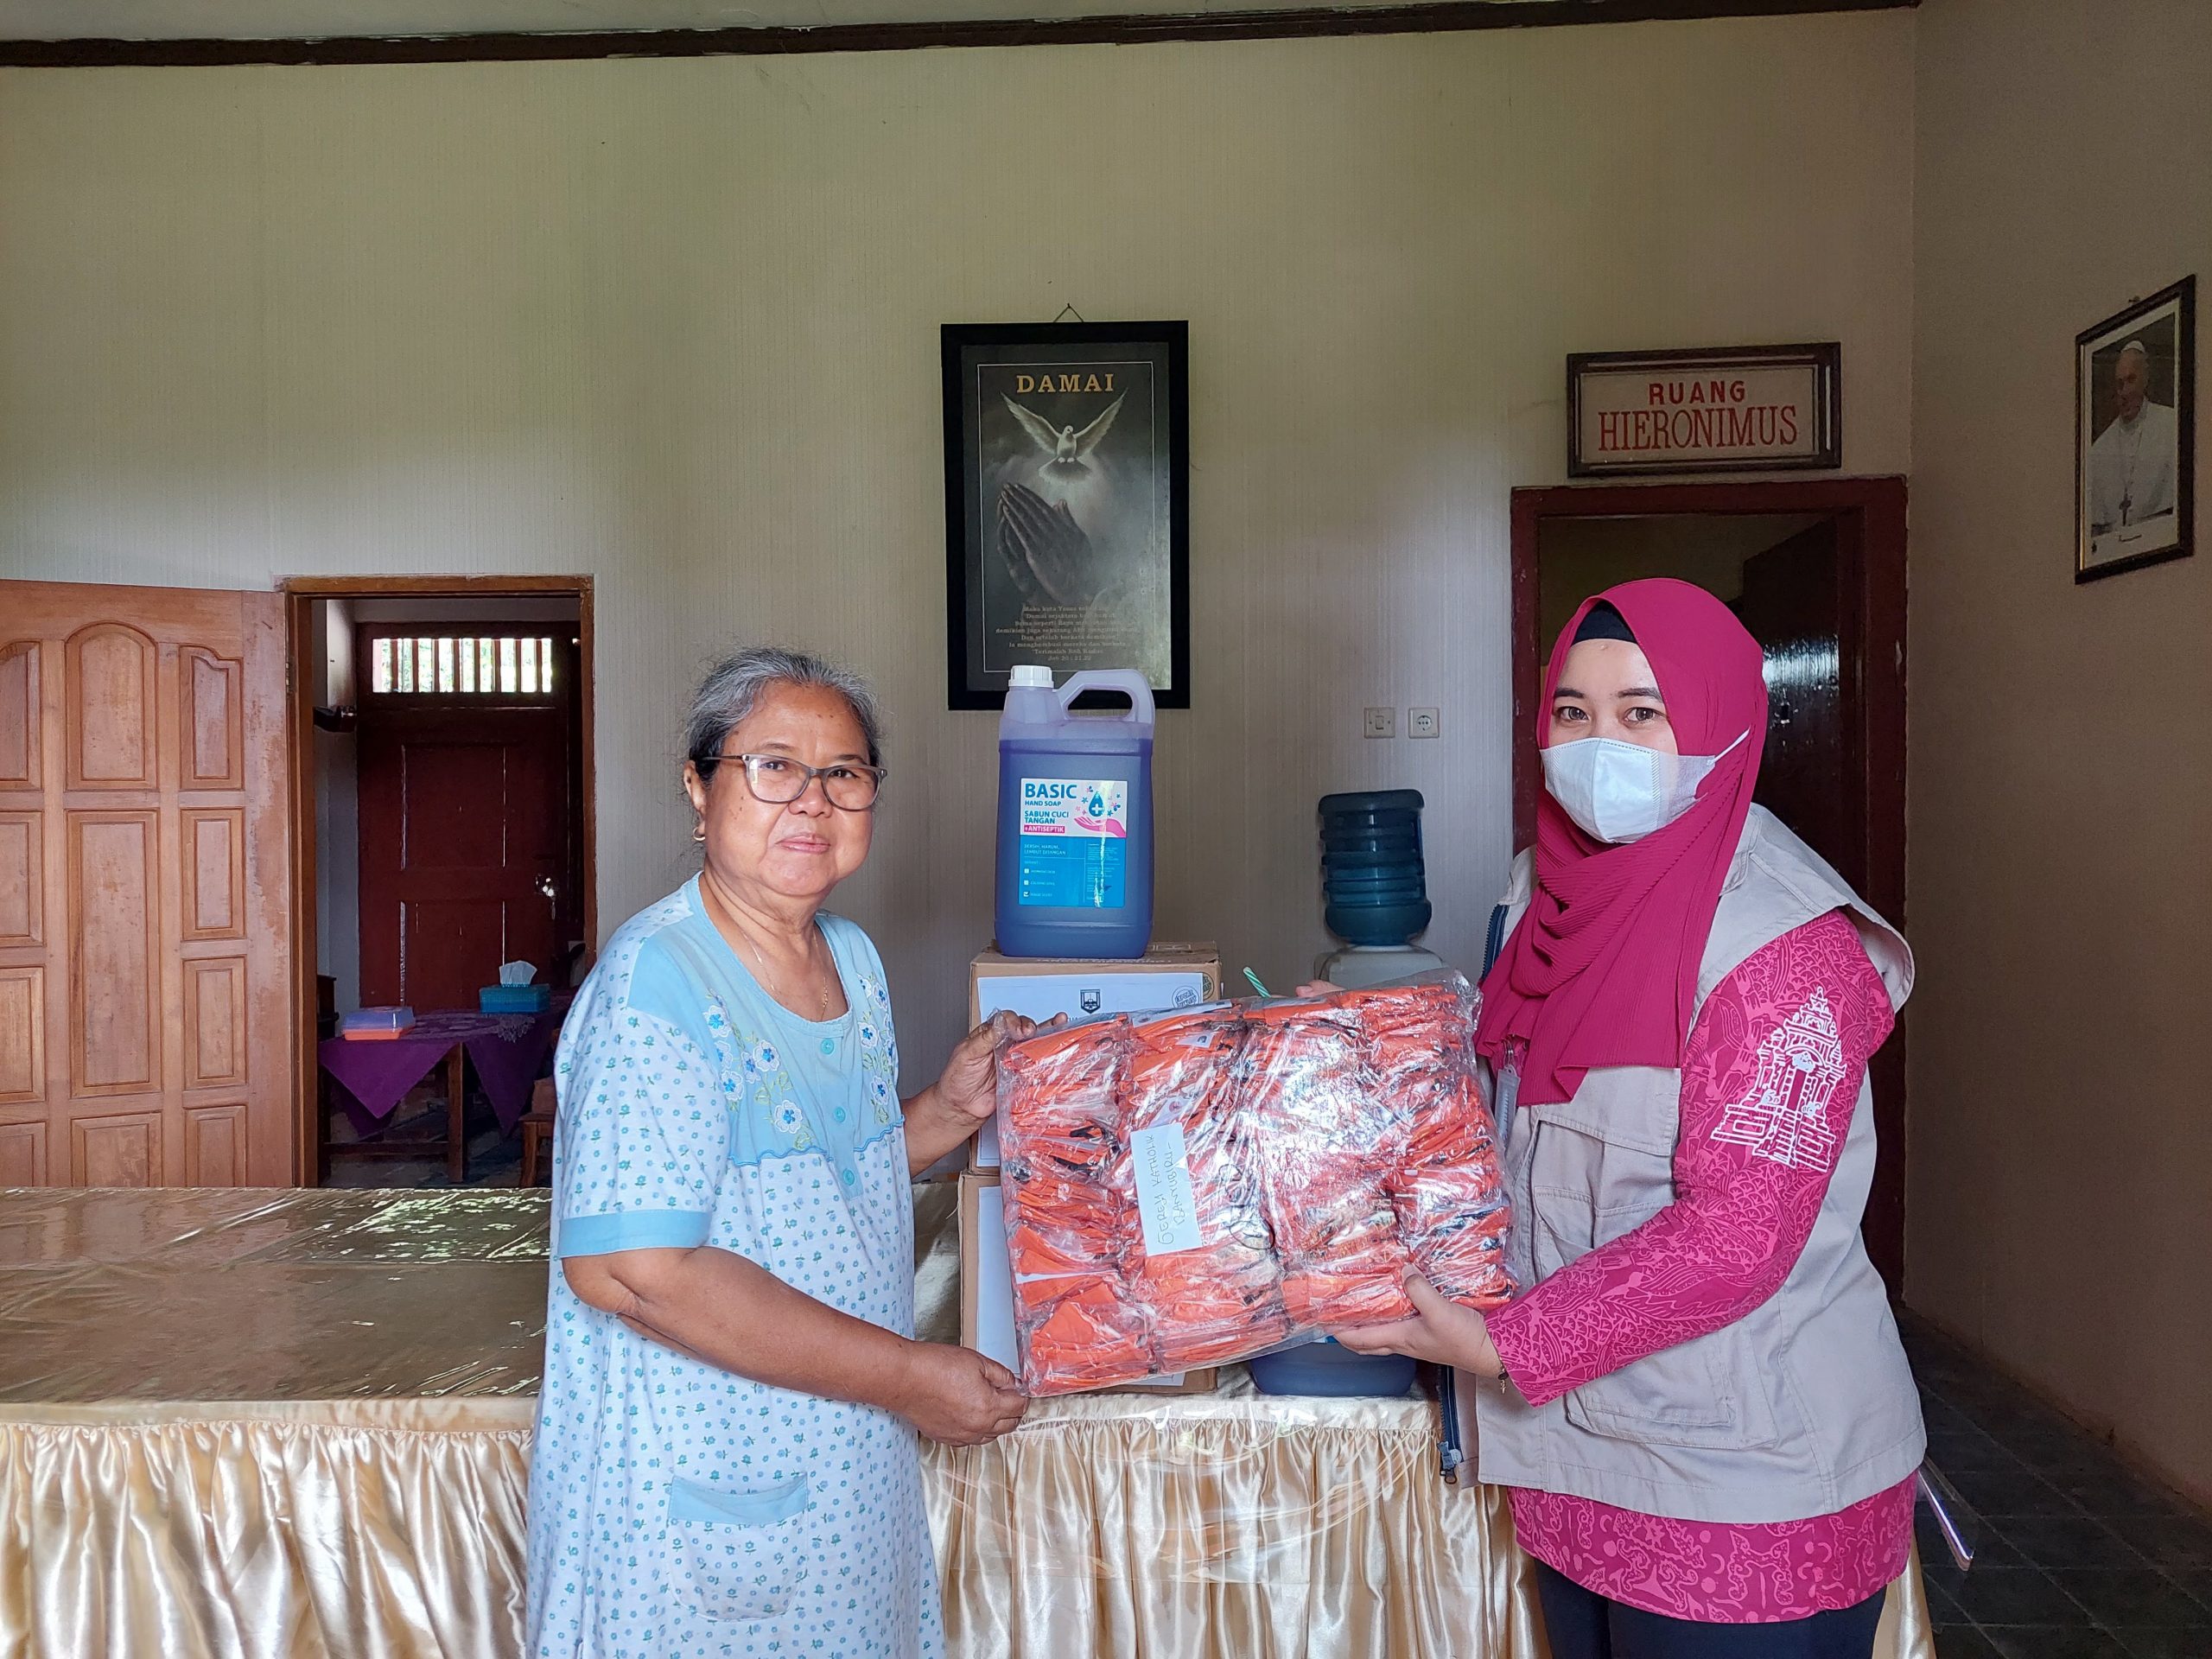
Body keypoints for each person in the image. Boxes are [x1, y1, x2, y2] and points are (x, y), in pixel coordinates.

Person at [1335, 579, 1921, 1658]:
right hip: (1579, 1461)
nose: (1597, 744)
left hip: (1747, 1484)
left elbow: (1735, 1240)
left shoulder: (1784, 948)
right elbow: (1496, 1125)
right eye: (1572, 713)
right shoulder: (1541, 893)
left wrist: (1506, 1343)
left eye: (1641, 712)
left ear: (1721, 727)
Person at [527, 646, 1039, 1659]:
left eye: (843, 774)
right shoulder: (657, 987)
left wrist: (944, 1108)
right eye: (773, 767)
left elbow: (817, 1191)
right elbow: (637, 1271)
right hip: (704, 1481)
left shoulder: (848, 956)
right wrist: (906, 1375)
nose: (811, 802)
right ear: (698, 788)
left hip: (840, 1475)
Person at [2088, 339, 2180, 532]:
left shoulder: (2171, 425)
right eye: (2119, 384)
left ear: (2145, 380)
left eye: (2131, 380)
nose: (2125, 392)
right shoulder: (2099, 449)